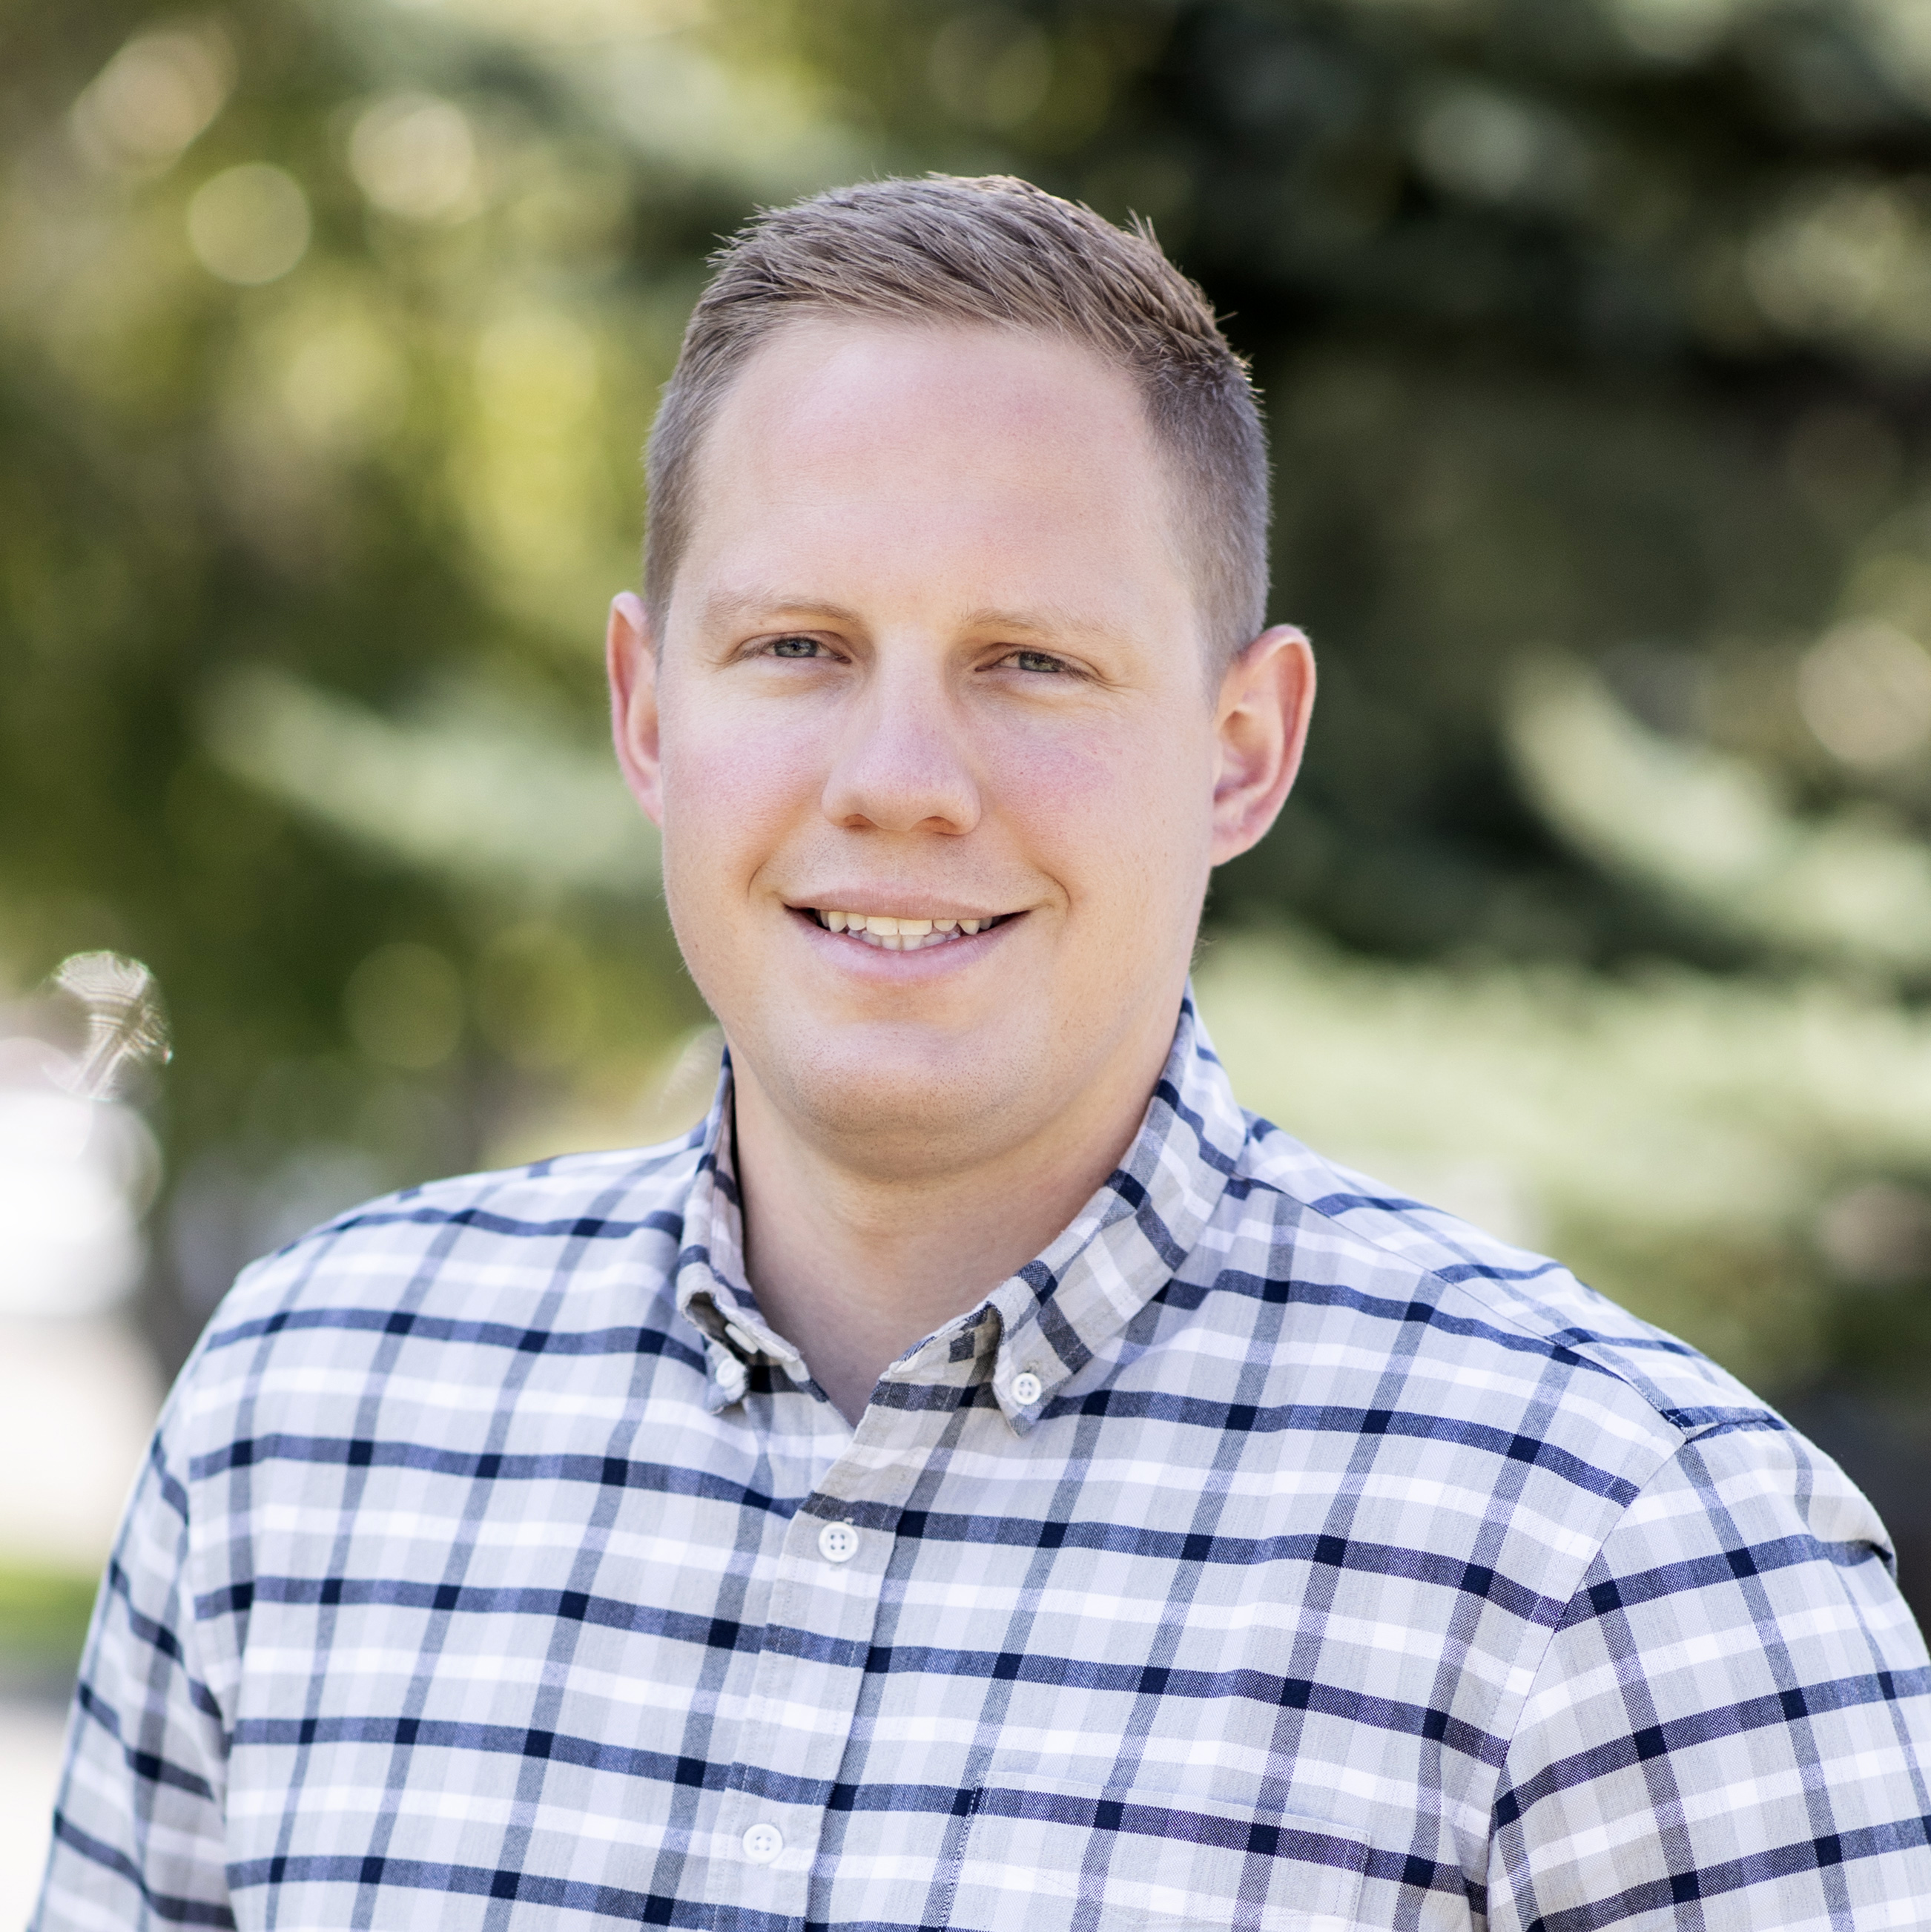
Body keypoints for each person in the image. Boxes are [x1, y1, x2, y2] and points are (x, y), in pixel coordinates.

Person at [33, 175, 1931, 1931]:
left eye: (1030, 660)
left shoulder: (1632, 1558)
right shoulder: (302, 1429)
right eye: (795, 646)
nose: (901, 785)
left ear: (1240, 748)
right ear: (645, 709)